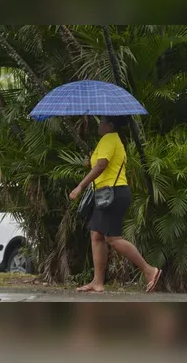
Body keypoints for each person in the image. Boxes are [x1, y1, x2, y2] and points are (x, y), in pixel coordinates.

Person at [69, 116, 162, 293]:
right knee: (96, 235)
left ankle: (149, 270)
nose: (99, 124)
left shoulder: (109, 138)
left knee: (113, 238)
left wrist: (80, 186)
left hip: (113, 193)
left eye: (102, 122)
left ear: (110, 125)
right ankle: (97, 282)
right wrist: (90, 162)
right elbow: (100, 163)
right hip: (106, 194)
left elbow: (102, 165)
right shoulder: (111, 141)